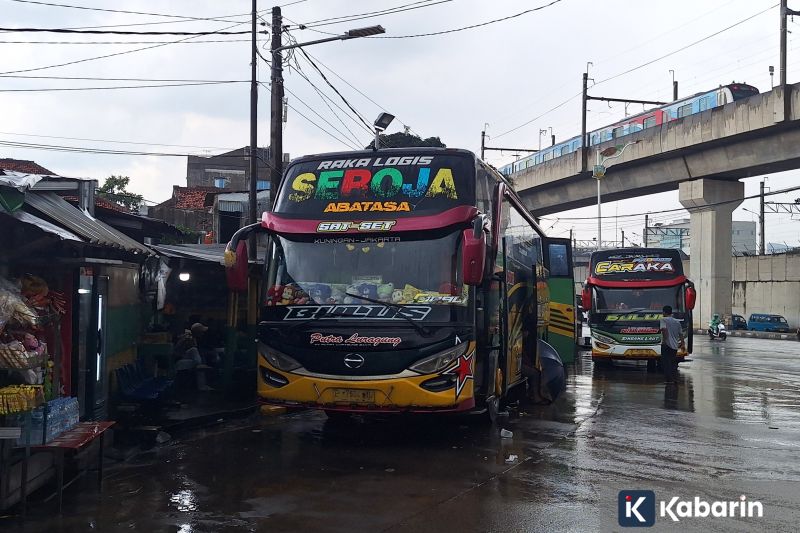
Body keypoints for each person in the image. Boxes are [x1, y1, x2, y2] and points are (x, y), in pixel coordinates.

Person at [174, 323, 213, 391]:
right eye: (201, 332)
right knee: (194, 351)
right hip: (179, 359)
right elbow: (183, 352)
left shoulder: (192, 337)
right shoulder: (189, 338)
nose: (203, 334)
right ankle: (202, 386)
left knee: (199, 365)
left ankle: (202, 386)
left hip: (186, 358)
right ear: (197, 332)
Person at [659, 305, 684, 384]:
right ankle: (674, 378)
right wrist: (683, 344)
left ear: (664, 312)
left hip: (666, 345)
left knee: (666, 363)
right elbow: (681, 334)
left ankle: (669, 380)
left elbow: (664, 330)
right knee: (673, 363)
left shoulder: (663, 320)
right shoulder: (677, 321)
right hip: (674, 345)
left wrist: (664, 341)